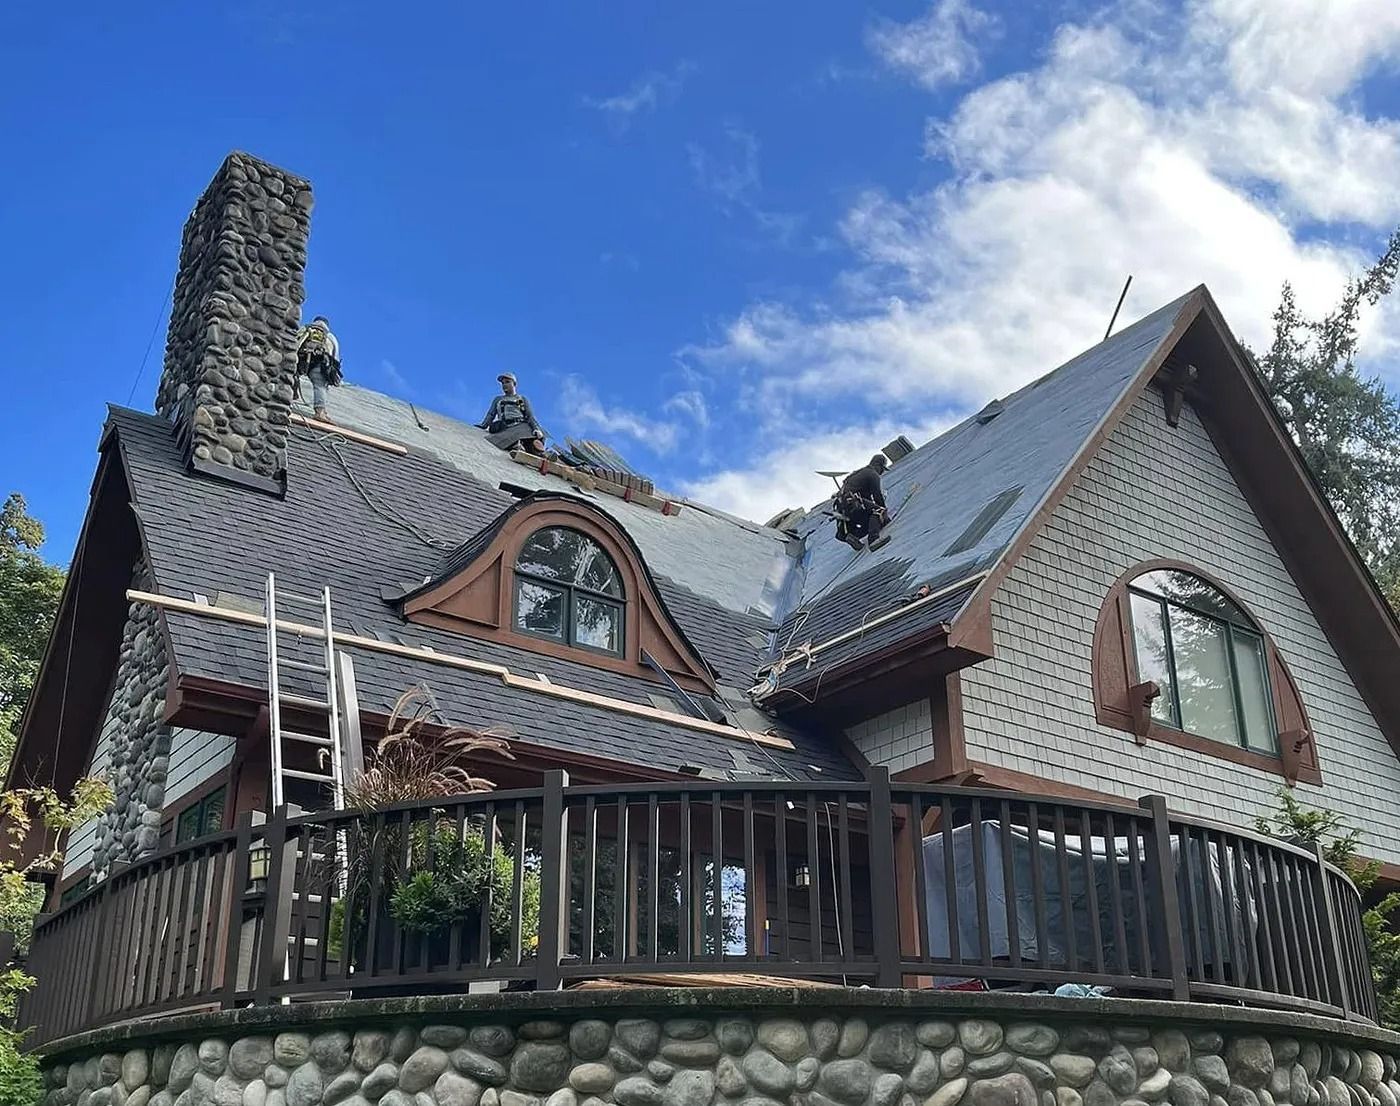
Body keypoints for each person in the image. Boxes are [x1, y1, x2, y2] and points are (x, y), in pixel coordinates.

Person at [478, 372, 546, 455]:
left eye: (507, 382)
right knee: (504, 438)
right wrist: (483, 425)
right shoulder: (498, 399)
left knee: (536, 440)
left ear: (514, 384)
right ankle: (517, 447)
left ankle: (542, 453)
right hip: (505, 428)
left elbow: (530, 416)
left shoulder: (521, 399)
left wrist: (536, 429)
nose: (504, 385)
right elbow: (491, 414)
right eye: (503, 383)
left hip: (521, 426)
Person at [835, 454, 892, 551]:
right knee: (879, 511)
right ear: (878, 465)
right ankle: (873, 540)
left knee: (870, 522)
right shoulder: (872, 474)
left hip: (842, 507)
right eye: (882, 469)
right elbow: (877, 496)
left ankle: (853, 536)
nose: (882, 472)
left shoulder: (858, 473)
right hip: (853, 501)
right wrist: (884, 514)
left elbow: (867, 501)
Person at [296, 315, 343, 422]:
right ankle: (320, 412)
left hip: (301, 361)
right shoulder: (330, 337)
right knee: (320, 386)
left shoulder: (305, 329)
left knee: (293, 378)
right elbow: (335, 358)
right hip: (319, 363)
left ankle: (288, 397)